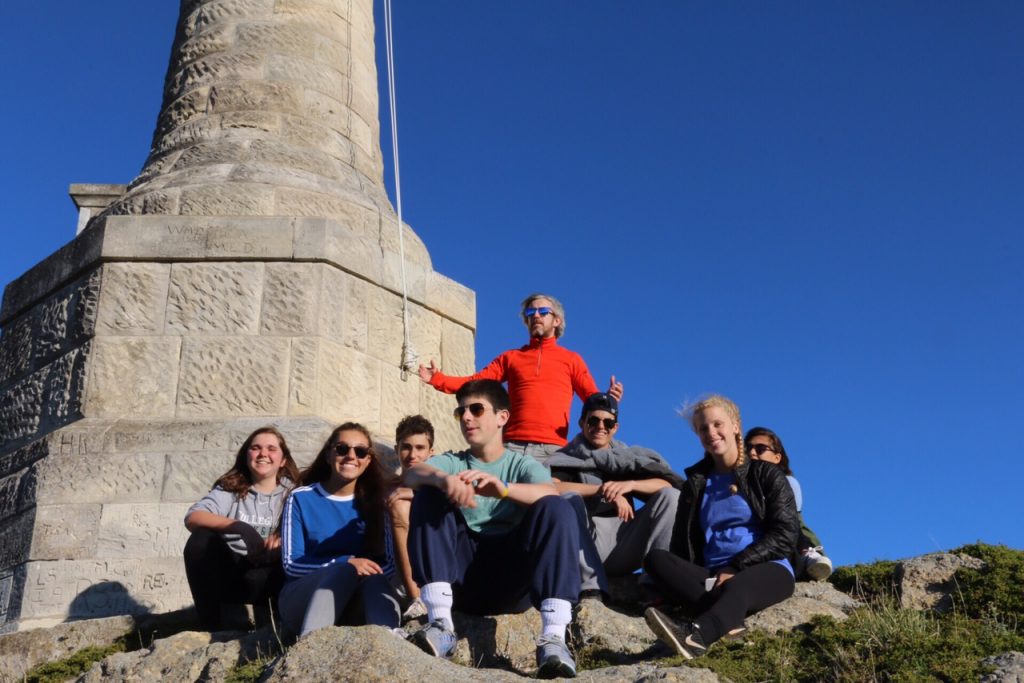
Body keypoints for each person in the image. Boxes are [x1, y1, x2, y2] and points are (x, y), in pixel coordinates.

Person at [403, 379, 581, 679]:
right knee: (428, 493)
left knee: (558, 507)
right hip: (461, 581)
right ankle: (441, 626)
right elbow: (413, 473)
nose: (467, 417)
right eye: (461, 412)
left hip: (512, 579)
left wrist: (505, 490)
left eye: (476, 409)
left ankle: (553, 639)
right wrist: (443, 480)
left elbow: (550, 493)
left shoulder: (521, 464)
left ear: (502, 417)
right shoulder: (452, 461)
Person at [643, 395, 799, 659]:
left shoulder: (765, 474)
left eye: (718, 424)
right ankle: (729, 618)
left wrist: (736, 566)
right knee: (656, 560)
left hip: (767, 569)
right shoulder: (696, 484)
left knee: (735, 587)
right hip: (711, 576)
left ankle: (695, 636)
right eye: (703, 428)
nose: (711, 433)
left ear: (736, 425)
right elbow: (682, 546)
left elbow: (786, 534)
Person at [417, 293, 623, 464]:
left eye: (543, 312)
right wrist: (438, 379)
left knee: (544, 510)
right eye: (530, 312)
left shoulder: (571, 360)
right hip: (510, 447)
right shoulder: (511, 357)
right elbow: (476, 383)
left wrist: (609, 399)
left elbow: (593, 399)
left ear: (556, 321)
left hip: (552, 451)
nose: (536, 316)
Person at [547, 393, 682, 596]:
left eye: (608, 422)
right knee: (568, 500)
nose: (601, 426)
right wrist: (602, 490)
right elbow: (550, 488)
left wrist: (630, 485)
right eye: (594, 420)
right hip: (587, 543)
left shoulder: (627, 458)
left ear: (615, 428)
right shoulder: (567, 458)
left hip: (626, 541)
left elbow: (667, 483)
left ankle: (655, 583)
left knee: (671, 496)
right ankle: (591, 587)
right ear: (582, 422)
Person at [279, 422, 400, 638]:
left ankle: (391, 640)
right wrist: (346, 563)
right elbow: (291, 565)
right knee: (344, 569)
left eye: (361, 451)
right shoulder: (301, 498)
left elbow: (388, 566)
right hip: (303, 600)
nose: (351, 456)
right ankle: (311, 646)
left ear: (368, 460)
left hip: (356, 602)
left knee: (376, 579)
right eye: (342, 449)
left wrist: (361, 572)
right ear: (329, 454)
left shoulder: (376, 504)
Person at [183, 426, 300, 631]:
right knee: (200, 539)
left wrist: (284, 537)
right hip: (235, 574)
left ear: (283, 460)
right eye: (256, 448)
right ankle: (211, 627)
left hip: (274, 576)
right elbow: (193, 517)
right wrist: (238, 527)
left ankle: (282, 627)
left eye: (271, 448)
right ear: (247, 455)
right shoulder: (231, 489)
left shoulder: (296, 493)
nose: (263, 453)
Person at [745, 427, 832, 580]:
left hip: (789, 535)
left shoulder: (788, 482)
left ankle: (807, 555)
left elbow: (788, 519)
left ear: (777, 458)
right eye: (748, 448)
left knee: (784, 516)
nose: (752, 453)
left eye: (761, 449)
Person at [388, 414, 436, 621]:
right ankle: (415, 598)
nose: (412, 455)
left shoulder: (439, 487)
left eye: (420, 448)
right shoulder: (386, 488)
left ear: (431, 452)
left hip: (435, 570)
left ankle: (420, 597)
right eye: (406, 447)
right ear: (396, 449)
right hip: (394, 577)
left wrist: (417, 494)